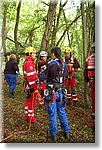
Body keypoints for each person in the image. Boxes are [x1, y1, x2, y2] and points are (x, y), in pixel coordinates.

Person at [44, 47, 70, 142]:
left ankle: (53, 133)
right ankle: (66, 132)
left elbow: (43, 76)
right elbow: (66, 76)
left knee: (52, 113)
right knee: (61, 111)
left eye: (51, 54)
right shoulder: (64, 64)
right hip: (61, 91)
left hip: (52, 92)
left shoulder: (50, 64)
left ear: (54, 54)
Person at [23, 47, 41, 123]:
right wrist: (35, 89)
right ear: (30, 54)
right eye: (34, 53)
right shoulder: (29, 63)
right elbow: (31, 79)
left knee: (28, 101)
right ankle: (31, 118)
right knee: (31, 102)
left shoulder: (28, 62)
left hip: (28, 86)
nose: (35, 55)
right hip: (31, 86)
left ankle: (27, 116)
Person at [84, 42, 95, 126]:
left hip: (92, 83)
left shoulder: (88, 59)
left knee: (94, 103)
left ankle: (95, 122)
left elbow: (85, 73)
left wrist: (88, 81)